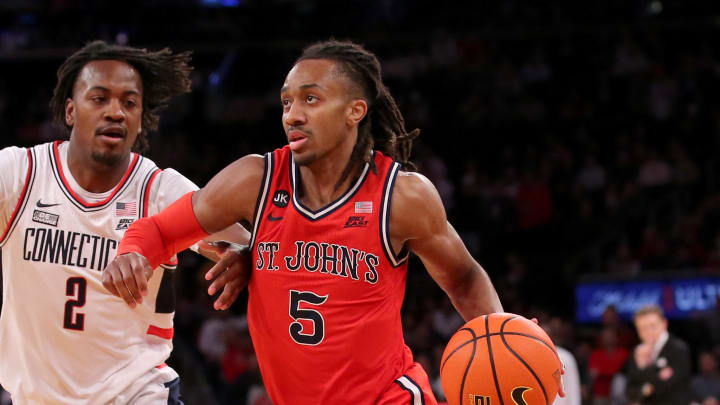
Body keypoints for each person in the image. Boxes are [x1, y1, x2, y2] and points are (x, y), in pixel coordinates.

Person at [105, 39, 508, 404]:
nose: (292, 115)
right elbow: (157, 230)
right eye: (286, 102)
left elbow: (463, 277)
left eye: (311, 99)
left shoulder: (401, 196)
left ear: (355, 111)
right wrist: (132, 252)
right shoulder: (255, 180)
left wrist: (503, 342)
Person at [0, 40, 248, 404]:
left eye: (129, 103)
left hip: (135, 395)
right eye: (99, 99)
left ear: (140, 117)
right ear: (70, 110)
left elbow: (252, 247)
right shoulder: (19, 175)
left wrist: (242, 256)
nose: (115, 112)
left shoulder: (160, 190)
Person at [625, 304, 691, 405]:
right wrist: (647, 389)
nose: (648, 332)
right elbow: (629, 392)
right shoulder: (638, 352)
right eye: (642, 328)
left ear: (664, 324)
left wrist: (643, 367)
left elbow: (667, 387)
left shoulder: (678, 349)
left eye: (652, 326)